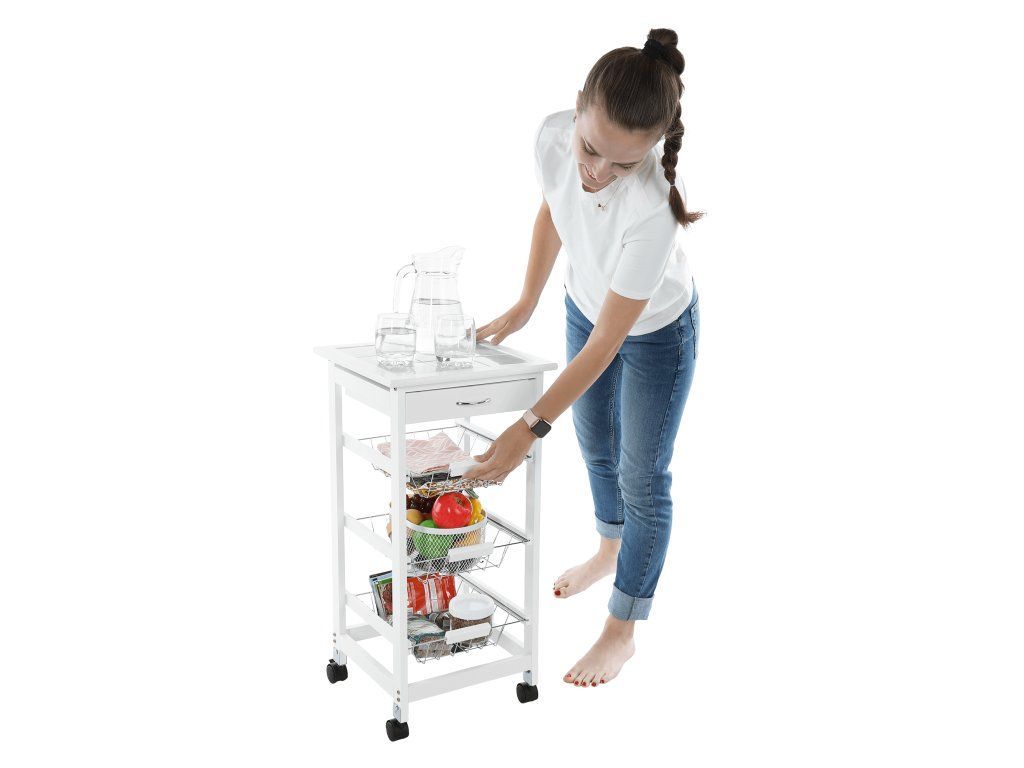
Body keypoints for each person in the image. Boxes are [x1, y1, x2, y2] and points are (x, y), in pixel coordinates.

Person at [462, 28, 704, 687]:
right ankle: (607, 549)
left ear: (651, 149)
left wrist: (527, 427)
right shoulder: (552, 136)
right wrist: (525, 303)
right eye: (591, 149)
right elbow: (555, 211)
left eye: (621, 165)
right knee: (596, 444)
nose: (597, 171)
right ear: (577, 110)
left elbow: (607, 344)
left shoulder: (656, 208)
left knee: (641, 475)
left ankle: (621, 630)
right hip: (584, 303)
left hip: (656, 333)